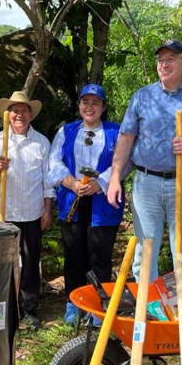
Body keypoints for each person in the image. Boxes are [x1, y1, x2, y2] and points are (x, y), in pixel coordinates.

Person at [107, 39, 182, 281]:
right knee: (145, 249)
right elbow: (126, 139)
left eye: (170, 59)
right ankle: (148, 310)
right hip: (146, 183)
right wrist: (115, 177)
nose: (164, 64)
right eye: (160, 60)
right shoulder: (142, 96)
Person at [48, 83, 126, 324]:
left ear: (103, 107)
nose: (89, 107)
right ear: (79, 105)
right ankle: (74, 302)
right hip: (73, 198)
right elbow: (54, 161)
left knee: (100, 255)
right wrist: (71, 183)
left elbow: (124, 162)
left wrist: (100, 183)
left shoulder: (117, 131)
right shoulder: (67, 131)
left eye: (95, 103)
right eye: (85, 102)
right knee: (74, 255)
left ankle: (98, 305)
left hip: (103, 202)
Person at [0, 91, 54, 329]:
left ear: (31, 114)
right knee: (1, 262)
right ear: (8, 115)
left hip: (31, 211)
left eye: (24, 110)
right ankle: (1, 308)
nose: (19, 115)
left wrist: (47, 209)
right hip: (1, 213)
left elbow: (47, 180)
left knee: (30, 261)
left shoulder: (41, 142)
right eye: (15, 110)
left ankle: (29, 309)